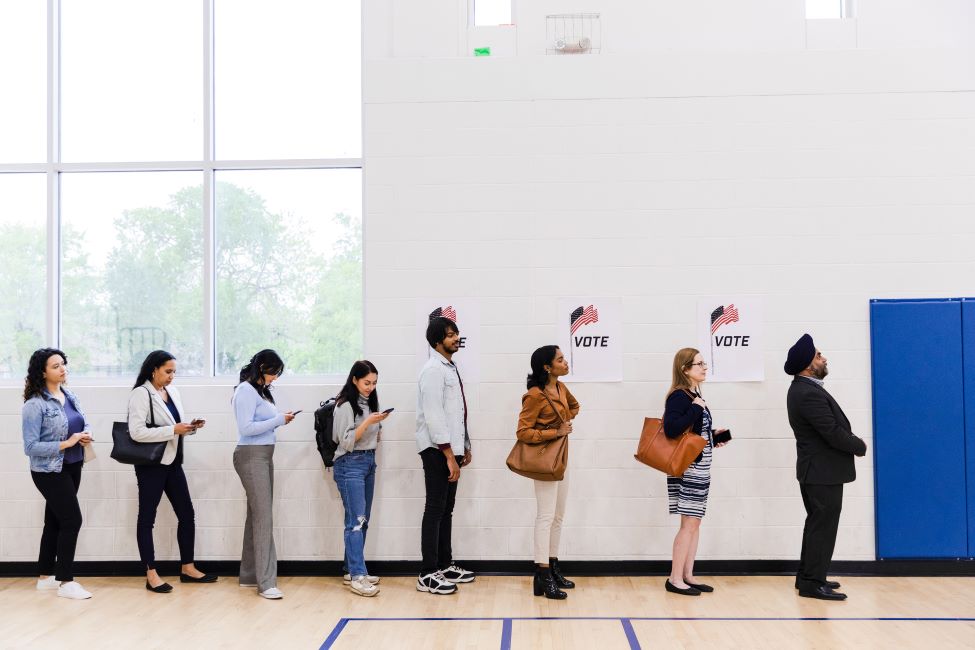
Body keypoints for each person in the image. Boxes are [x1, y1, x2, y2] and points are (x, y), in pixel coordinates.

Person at [785, 334, 867, 601]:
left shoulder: (806, 389)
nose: (824, 358)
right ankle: (811, 582)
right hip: (821, 472)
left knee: (817, 525)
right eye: (819, 355)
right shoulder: (806, 392)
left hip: (819, 471)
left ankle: (809, 576)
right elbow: (831, 431)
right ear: (809, 365)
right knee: (822, 526)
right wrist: (858, 445)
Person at [127, 350, 216, 593]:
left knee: (187, 514)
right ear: (153, 369)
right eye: (168, 371)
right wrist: (173, 430)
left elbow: (174, 428)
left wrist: (190, 428)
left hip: (173, 462)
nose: (171, 376)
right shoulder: (141, 394)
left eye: (174, 371)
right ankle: (151, 573)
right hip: (151, 466)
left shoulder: (173, 392)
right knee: (147, 519)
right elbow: (136, 432)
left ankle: (187, 567)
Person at [21, 348, 93, 600]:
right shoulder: (34, 405)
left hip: (73, 465)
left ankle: (44, 577)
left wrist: (84, 436)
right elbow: (30, 447)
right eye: (55, 366)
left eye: (63, 364)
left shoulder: (70, 395)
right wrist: (67, 442)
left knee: (55, 521)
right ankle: (65, 581)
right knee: (72, 520)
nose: (62, 369)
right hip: (48, 470)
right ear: (42, 372)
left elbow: (81, 422)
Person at [662, 348, 730, 596]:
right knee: (688, 524)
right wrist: (696, 408)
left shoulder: (694, 395)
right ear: (685, 369)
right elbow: (671, 429)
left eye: (704, 363)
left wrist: (713, 438)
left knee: (694, 523)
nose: (704, 367)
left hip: (700, 467)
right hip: (689, 469)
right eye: (699, 364)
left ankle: (687, 575)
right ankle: (674, 578)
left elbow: (691, 433)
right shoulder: (680, 397)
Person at [415, 316, 474, 595]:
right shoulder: (432, 370)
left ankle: (444, 563)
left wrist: (464, 446)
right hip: (436, 449)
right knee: (435, 509)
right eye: (450, 335)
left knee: (446, 509)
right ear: (438, 340)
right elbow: (434, 415)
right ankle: (427, 573)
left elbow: (456, 412)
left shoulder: (449, 367)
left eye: (457, 333)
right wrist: (449, 454)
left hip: (452, 448)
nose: (456, 338)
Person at [516, 345, 580, 600]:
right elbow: (522, 432)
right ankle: (541, 573)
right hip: (544, 460)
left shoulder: (561, 388)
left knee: (558, 516)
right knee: (545, 516)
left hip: (560, 457)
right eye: (561, 360)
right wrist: (555, 431)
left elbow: (575, 407)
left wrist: (561, 421)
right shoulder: (534, 395)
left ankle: (553, 568)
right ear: (547, 367)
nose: (566, 363)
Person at [232, 349, 296, 599]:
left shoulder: (260, 392)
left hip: (263, 455)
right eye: (274, 373)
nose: (275, 378)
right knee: (264, 518)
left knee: (256, 515)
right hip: (250, 455)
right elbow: (245, 428)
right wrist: (279, 420)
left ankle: (250, 575)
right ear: (262, 368)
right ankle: (266, 582)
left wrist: (280, 419)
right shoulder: (245, 391)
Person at [331, 360, 389, 597]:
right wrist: (367, 422)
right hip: (350, 463)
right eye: (366, 382)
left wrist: (377, 427)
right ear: (354, 379)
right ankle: (357, 574)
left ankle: (352, 569)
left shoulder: (369, 402)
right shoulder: (345, 406)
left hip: (367, 462)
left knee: (361, 520)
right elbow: (345, 441)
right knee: (355, 521)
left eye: (374, 383)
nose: (370, 387)